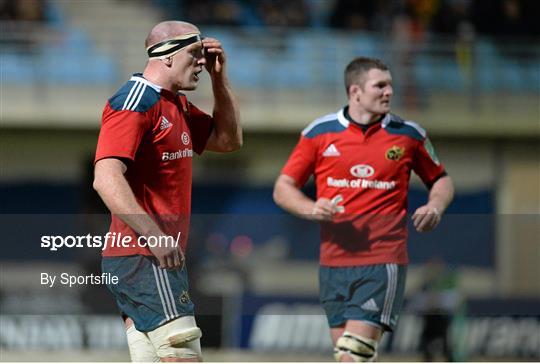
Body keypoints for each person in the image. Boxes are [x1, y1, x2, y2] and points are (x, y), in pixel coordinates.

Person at [273, 57, 454, 362]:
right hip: (332, 265)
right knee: (351, 355)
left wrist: (435, 205)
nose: (389, 92)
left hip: (382, 261)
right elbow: (283, 188)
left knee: (352, 355)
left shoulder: (408, 135)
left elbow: (441, 180)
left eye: (390, 85)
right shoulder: (319, 133)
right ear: (355, 91)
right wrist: (312, 208)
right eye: (380, 85)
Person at [93, 20, 241, 362]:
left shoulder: (176, 104)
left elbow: (229, 140)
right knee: (183, 354)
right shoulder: (135, 101)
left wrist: (220, 79)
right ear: (168, 56)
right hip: (143, 256)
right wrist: (154, 236)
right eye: (195, 53)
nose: (202, 62)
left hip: (154, 258)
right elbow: (106, 177)